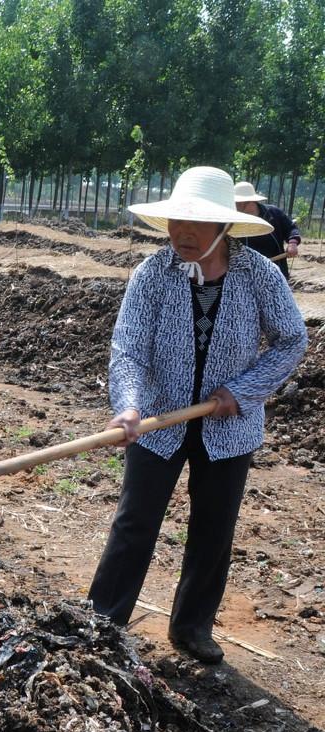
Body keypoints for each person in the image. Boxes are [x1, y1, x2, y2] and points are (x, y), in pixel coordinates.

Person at [88, 166, 306, 664]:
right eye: (176, 222)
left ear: (224, 228)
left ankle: (191, 628)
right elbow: (129, 350)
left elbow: (292, 339)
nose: (182, 233)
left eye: (196, 224)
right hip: (158, 424)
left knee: (213, 529)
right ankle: (102, 621)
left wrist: (244, 391)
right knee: (135, 522)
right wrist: (128, 406)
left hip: (229, 428)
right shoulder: (152, 274)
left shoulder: (259, 275)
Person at [233, 181, 302, 282]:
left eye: (238, 204)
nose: (235, 207)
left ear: (250, 202)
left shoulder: (273, 214)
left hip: (275, 270)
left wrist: (292, 243)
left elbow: (291, 229)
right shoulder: (234, 220)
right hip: (246, 274)